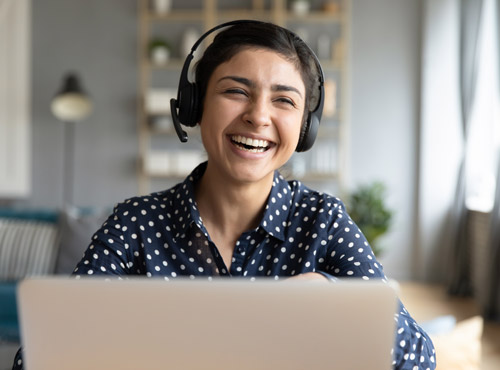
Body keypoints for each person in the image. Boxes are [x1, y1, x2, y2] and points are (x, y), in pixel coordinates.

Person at [13, 21, 435, 370]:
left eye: (284, 100)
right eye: (236, 91)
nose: (258, 115)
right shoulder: (135, 223)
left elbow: (420, 358)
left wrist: (332, 296)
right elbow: (35, 358)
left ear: (305, 128)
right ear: (195, 105)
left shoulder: (322, 221)